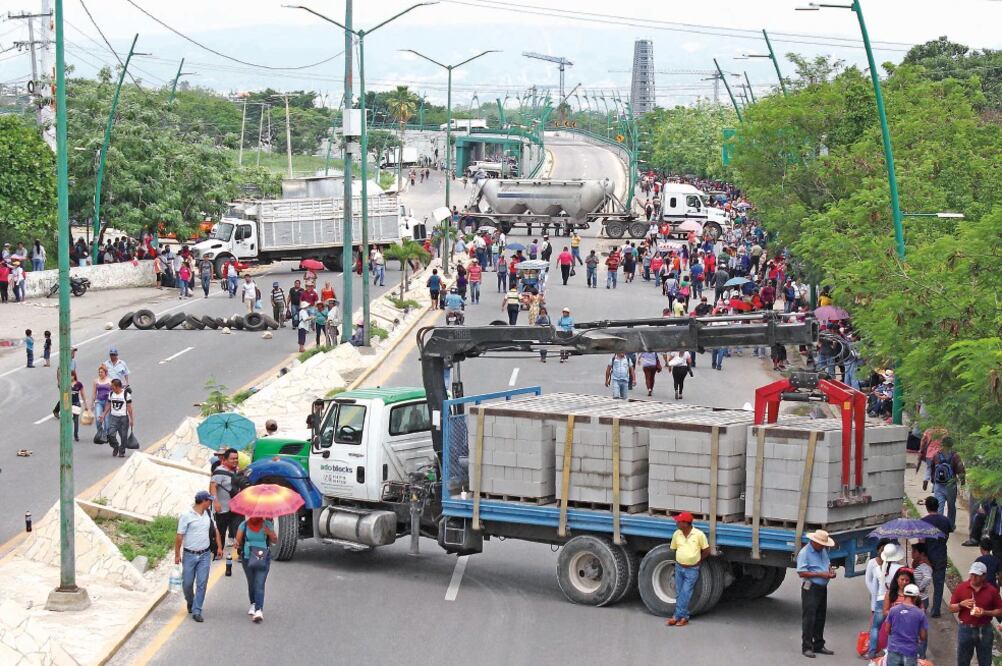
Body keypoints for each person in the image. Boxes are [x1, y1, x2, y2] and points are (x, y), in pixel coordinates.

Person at [174, 490, 224, 622]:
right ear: (203, 501)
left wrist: (219, 547)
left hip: (205, 555)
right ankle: (190, 601)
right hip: (189, 555)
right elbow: (179, 536)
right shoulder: (186, 515)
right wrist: (177, 555)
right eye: (209, 500)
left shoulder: (208, 513)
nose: (211, 502)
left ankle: (197, 610)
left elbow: (215, 530)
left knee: (202, 583)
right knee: (187, 583)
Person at [950, 561, 1002, 666]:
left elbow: (1000, 611)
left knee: (985, 660)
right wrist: (961, 604)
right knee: (963, 660)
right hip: (965, 629)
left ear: (984, 576)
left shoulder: (992, 591)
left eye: (977, 575)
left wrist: (985, 612)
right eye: (972, 574)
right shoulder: (962, 588)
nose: (973, 577)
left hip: (985, 629)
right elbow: (951, 608)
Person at [796, 529, 837, 659]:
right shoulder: (805, 553)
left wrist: (830, 571)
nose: (823, 546)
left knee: (820, 616)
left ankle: (818, 644)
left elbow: (827, 563)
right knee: (809, 617)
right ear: (814, 542)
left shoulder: (823, 550)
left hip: (822, 587)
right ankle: (806, 646)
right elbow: (801, 572)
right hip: (811, 587)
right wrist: (821, 574)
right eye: (821, 544)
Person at [666, 511, 709, 627]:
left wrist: (697, 561)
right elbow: (674, 549)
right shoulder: (676, 534)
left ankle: (676, 616)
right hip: (679, 567)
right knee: (679, 593)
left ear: (686, 523)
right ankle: (683, 617)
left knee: (685, 593)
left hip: (692, 569)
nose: (676, 523)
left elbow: (706, 550)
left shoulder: (699, 535)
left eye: (679, 521)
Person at [864, 541, 903, 659]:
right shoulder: (901, 569)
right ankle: (888, 651)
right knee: (894, 628)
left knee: (875, 627)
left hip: (881, 599)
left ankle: (871, 652)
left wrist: (874, 602)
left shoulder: (878, 569)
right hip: (895, 600)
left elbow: (874, 587)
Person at [235, 516, 277, 623]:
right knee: (252, 583)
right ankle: (253, 603)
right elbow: (238, 540)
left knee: (259, 583)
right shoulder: (244, 525)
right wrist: (237, 543)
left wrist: (269, 533)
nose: (255, 516)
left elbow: (275, 540)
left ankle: (259, 610)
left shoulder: (267, 524)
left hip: (263, 559)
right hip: (247, 559)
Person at [922, 495, 953, 617]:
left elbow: (921, 541)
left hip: (927, 557)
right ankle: (936, 610)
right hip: (941, 555)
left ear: (926, 507)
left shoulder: (923, 522)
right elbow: (947, 534)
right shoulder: (945, 520)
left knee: (923, 583)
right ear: (938, 506)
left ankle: (923, 606)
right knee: (938, 584)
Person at [210, 448, 244, 557]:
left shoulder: (237, 470)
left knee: (239, 528)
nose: (235, 461)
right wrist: (216, 502)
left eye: (236, 458)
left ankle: (241, 552)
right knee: (221, 531)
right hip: (223, 508)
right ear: (225, 459)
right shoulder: (218, 472)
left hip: (236, 508)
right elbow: (213, 487)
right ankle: (217, 551)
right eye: (232, 459)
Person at [885, 583, 928, 666]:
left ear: (904, 595)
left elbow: (887, 630)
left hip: (894, 650)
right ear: (916, 597)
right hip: (910, 652)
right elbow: (923, 637)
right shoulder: (920, 614)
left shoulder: (893, 610)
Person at [931, 436, 965, 530]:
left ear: (942, 444)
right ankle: (950, 526)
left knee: (939, 506)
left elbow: (933, 469)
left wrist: (933, 482)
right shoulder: (955, 456)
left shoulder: (936, 455)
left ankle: (939, 526)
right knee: (951, 506)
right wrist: (962, 482)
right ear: (952, 445)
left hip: (938, 485)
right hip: (951, 485)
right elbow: (960, 468)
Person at [101, 378, 133, 458]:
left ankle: (122, 451)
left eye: (113, 386)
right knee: (111, 434)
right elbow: (108, 404)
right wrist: (103, 414)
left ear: (118, 387)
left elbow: (129, 408)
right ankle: (116, 446)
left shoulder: (126, 395)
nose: (111, 388)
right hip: (113, 417)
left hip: (123, 418)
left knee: (123, 436)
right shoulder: (111, 394)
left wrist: (131, 419)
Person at [91, 364, 112, 436]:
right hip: (99, 401)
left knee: (107, 420)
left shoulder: (110, 381)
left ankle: (106, 434)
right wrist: (92, 404)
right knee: (98, 419)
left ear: (105, 373)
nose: (100, 373)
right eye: (99, 372)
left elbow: (113, 392)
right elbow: (94, 393)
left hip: (107, 402)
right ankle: (100, 431)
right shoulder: (96, 381)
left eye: (102, 372)